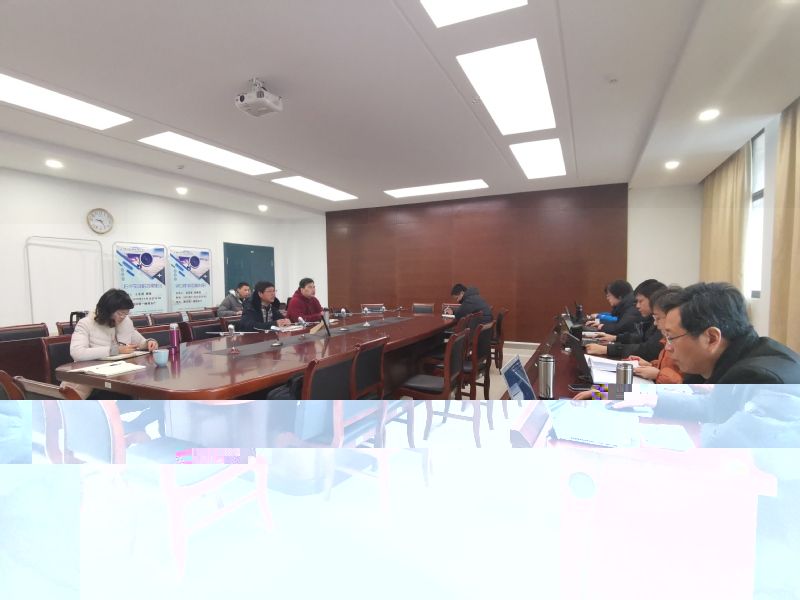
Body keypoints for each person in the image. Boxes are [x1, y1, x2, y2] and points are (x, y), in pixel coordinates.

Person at [70, 289, 164, 435]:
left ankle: (131, 428)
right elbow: (77, 352)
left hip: (122, 378)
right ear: (107, 310)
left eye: (126, 313)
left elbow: (139, 342)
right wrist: (115, 350)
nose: (123, 317)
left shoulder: (126, 322)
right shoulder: (86, 324)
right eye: (120, 313)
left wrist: (149, 343)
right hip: (94, 383)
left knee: (158, 401)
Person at [586, 279, 666, 360]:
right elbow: (641, 338)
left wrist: (608, 349)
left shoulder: (664, 321)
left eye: (640, 301)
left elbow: (648, 350)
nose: (637, 306)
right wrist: (616, 338)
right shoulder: (651, 319)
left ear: (653, 300)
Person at [629, 286, 684, 384]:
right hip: (658, 388)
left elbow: (686, 385)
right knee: (602, 390)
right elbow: (668, 366)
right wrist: (651, 365)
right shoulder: (667, 338)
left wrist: (658, 374)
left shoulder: (683, 343)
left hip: (662, 390)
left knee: (605, 391)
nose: (655, 323)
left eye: (658, 318)